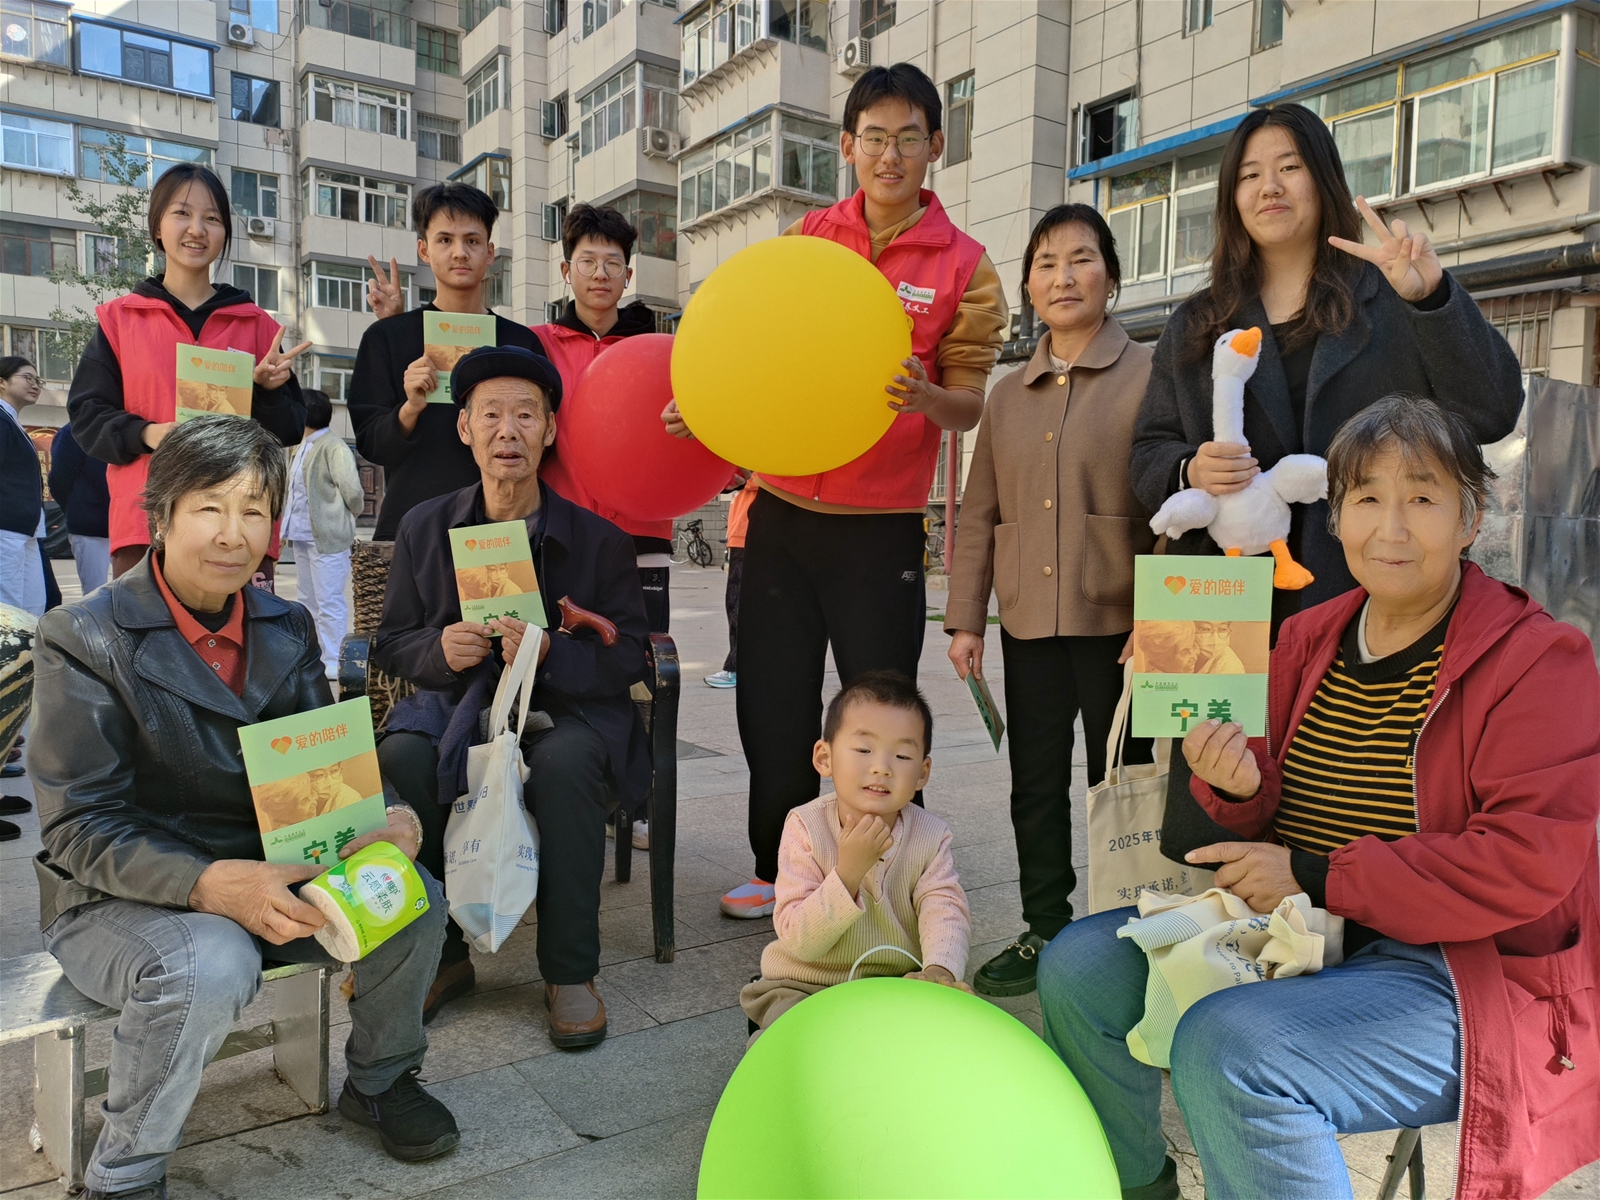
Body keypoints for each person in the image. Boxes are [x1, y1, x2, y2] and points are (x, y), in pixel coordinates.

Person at [1038, 395, 1600, 1200]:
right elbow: (1256, 809)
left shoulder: (1539, 659)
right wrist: (1234, 787)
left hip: (1466, 976)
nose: (1392, 527)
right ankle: (1137, 1184)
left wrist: (1316, 875)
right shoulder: (1310, 635)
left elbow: (1525, 864)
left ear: (1471, 519)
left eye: (1422, 497)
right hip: (1304, 934)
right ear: (1336, 519)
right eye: (1367, 498)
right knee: (1077, 968)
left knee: (1232, 1047)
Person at [28, 417, 459, 1200]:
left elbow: (324, 759)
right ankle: (123, 1172)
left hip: (272, 867)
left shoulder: (285, 625)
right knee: (213, 959)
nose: (234, 535)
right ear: (162, 513)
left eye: (254, 511)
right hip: (119, 896)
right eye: (210, 508)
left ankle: (380, 1079)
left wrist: (390, 814)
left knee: (412, 897)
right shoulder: (83, 635)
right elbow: (78, 825)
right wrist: (207, 884)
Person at [1129, 103, 1525, 851]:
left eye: (1289, 167)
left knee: (1343, 814)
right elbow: (1147, 450)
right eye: (1249, 174)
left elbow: (1492, 409)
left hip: (1362, 584)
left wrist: (1432, 298)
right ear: (1232, 197)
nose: (1269, 187)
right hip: (1217, 595)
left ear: (1324, 179)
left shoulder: (1390, 295)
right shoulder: (1198, 320)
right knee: (1219, 807)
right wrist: (1188, 467)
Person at [665, 63, 1007, 919]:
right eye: (874, 138)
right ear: (848, 146)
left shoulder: (966, 266)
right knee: (774, 702)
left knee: (882, 708)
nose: (891, 155)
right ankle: (778, 866)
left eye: (909, 138)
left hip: (880, 528)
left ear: (935, 145)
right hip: (780, 516)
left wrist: (928, 399)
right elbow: (757, 354)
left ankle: (891, 869)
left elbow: (970, 401)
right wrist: (704, 405)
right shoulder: (806, 240)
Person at [372, 345, 649, 1041]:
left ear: (549, 430)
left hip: (562, 708)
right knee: (404, 757)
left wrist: (552, 651)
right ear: (464, 428)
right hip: (456, 704)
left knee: (567, 764)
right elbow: (393, 640)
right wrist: (439, 650)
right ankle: (442, 957)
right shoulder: (424, 527)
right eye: (490, 415)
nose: (508, 431)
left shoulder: (600, 540)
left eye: (526, 415)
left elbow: (629, 654)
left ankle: (570, 969)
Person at [945, 204, 1154, 998]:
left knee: (1126, 782)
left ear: (1111, 276)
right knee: (1034, 782)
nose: (1063, 277)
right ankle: (1044, 927)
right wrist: (966, 620)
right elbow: (979, 513)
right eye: (1045, 263)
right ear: (1029, 285)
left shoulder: (1152, 376)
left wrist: (1162, 620)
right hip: (1029, 622)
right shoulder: (1008, 395)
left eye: (1081, 259)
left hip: (1123, 626)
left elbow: (1178, 506)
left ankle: (1136, 929)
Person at [66, 163, 308, 581]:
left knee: (244, 627)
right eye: (182, 213)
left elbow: (288, 429)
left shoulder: (258, 326)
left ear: (224, 233)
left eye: (212, 218)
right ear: (157, 227)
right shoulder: (120, 321)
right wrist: (148, 433)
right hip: (147, 524)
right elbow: (87, 416)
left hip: (238, 530)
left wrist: (267, 391)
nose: (197, 229)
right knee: (145, 626)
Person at [740, 671, 972, 1036]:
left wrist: (938, 970)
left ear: (922, 773)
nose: (882, 767)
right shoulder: (806, 827)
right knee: (794, 1036)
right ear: (825, 757)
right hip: (806, 984)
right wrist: (847, 873)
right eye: (864, 750)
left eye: (902, 755)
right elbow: (800, 941)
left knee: (940, 1038)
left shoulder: (931, 835)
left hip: (894, 983)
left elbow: (944, 908)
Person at [351, 183, 548, 541]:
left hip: (499, 532)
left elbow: (543, 441)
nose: (460, 253)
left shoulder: (521, 343)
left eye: (472, 241)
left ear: (490, 252)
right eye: (445, 240)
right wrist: (410, 408)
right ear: (424, 250)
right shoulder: (388, 337)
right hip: (411, 530)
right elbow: (371, 444)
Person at [283, 390, 365, 680]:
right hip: (303, 536)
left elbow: (353, 492)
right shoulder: (302, 446)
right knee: (307, 600)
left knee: (329, 601)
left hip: (327, 537)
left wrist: (343, 518)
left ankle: (334, 660)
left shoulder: (334, 446)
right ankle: (314, 655)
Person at [0, 356, 46, 616]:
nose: (35, 385)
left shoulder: (12, 422)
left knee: (32, 609)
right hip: (5, 531)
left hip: (25, 532)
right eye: (27, 378)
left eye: (38, 380)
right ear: (2, 382)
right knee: (8, 612)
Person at [706, 472, 756, 689]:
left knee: (740, 606)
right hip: (741, 533)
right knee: (736, 605)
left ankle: (737, 667)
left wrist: (748, 476)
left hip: (753, 532)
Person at [49, 421, 112, 594]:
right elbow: (59, 480)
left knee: (129, 591)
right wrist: (78, 508)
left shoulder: (119, 426)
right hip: (90, 526)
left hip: (123, 524)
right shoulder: (72, 432)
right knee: (95, 593)